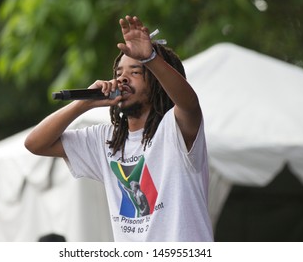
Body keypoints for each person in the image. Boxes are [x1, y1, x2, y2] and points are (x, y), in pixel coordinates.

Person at [25, 15, 214, 242]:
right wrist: (83, 104)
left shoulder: (174, 129)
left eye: (135, 72)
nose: (122, 79)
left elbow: (189, 104)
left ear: (157, 83)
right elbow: (35, 143)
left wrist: (150, 58)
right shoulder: (106, 139)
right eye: (118, 74)